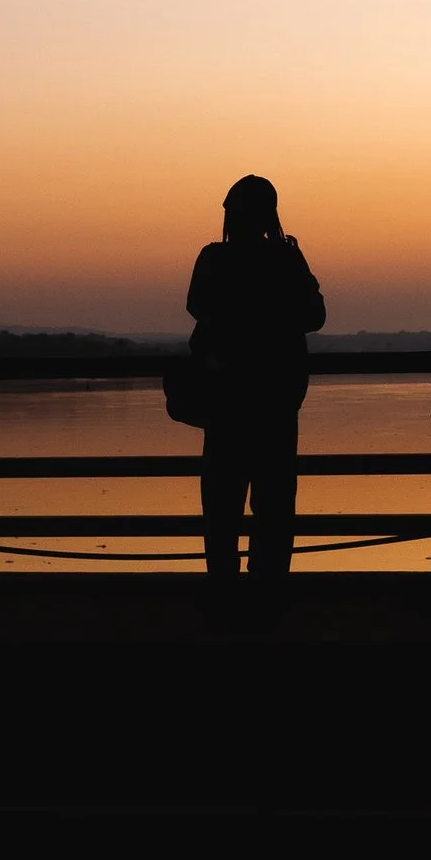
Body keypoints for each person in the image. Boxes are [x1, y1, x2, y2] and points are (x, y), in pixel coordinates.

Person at [185, 175, 326, 600]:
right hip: (276, 399)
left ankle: (224, 591)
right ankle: (268, 591)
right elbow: (314, 315)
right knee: (274, 504)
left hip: (226, 397)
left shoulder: (214, 259)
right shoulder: (286, 259)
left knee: (223, 505)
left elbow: (197, 306)